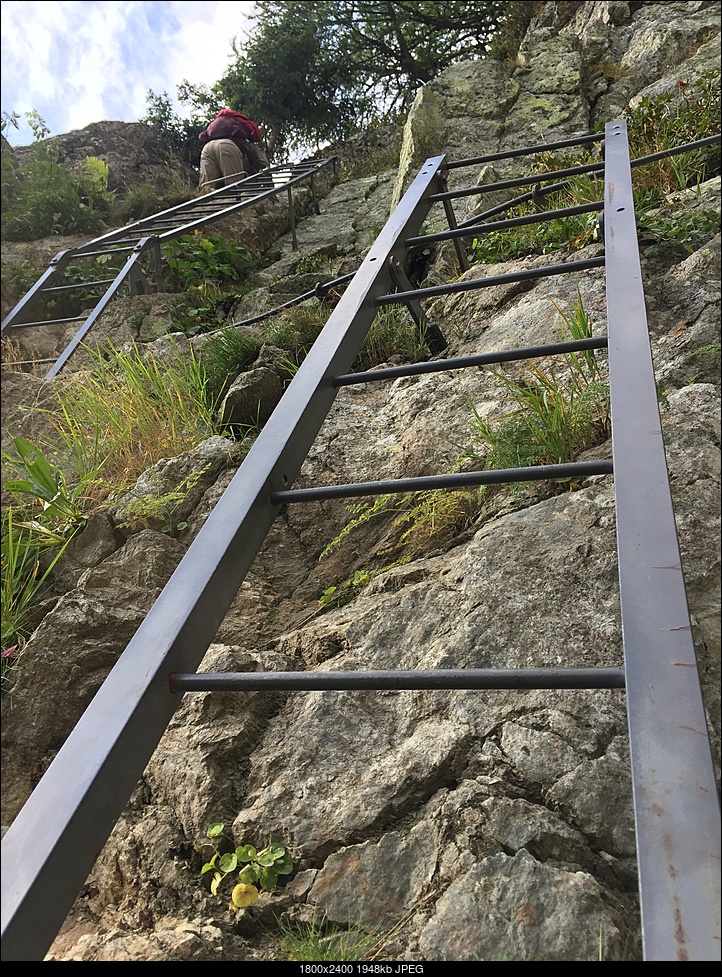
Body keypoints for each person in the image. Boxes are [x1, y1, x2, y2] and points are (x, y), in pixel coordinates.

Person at [197, 108, 270, 191]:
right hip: (227, 146)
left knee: (206, 187)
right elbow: (263, 163)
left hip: (207, 147)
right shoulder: (247, 141)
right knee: (234, 187)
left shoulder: (218, 123)